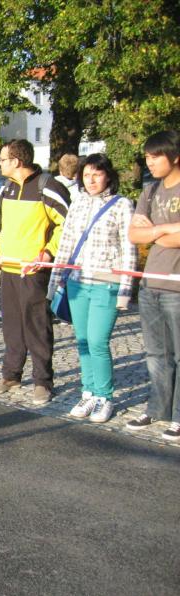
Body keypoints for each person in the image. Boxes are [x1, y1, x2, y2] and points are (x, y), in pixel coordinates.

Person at [47, 154, 136, 422]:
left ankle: (104, 396)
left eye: (97, 174)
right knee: (83, 340)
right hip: (77, 283)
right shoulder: (78, 202)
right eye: (86, 175)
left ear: (108, 175)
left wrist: (125, 290)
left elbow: (129, 249)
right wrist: (55, 281)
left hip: (106, 284)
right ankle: (88, 392)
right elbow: (66, 243)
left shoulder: (122, 205)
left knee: (98, 341)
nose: (91, 180)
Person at [0, 139, 70, 403]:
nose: (0, 164)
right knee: (12, 325)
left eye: (2, 159)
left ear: (16, 161)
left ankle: (43, 381)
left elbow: (67, 223)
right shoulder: (5, 189)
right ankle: (11, 375)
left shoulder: (48, 187)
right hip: (8, 268)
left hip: (34, 270)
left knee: (37, 326)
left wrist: (48, 252)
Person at [126, 130, 180, 441]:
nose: (150, 162)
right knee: (156, 353)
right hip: (150, 284)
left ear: (175, 156)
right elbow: (135, 234)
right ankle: (158, 409)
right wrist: (166, 229)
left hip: (176, 286)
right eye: (147, 156)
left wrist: (154, 231)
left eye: (156, 156)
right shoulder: (150, 190)